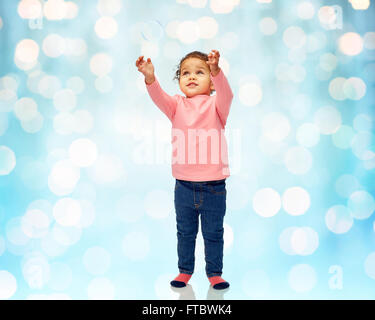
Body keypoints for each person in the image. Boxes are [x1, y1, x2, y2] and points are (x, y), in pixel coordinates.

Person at [135, 50, 234, 290]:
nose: (191, 77)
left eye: (200, 73)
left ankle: (214, 273)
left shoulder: (216, 105)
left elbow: (227, 94)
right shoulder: (176, 106)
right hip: (184, 186)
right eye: (185, 73)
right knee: (185, 233)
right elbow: (158, 96)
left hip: (214, 188)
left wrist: (217, 71)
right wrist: (150, 77)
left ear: (211, 82)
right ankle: (185, 271)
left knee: (213, 234)